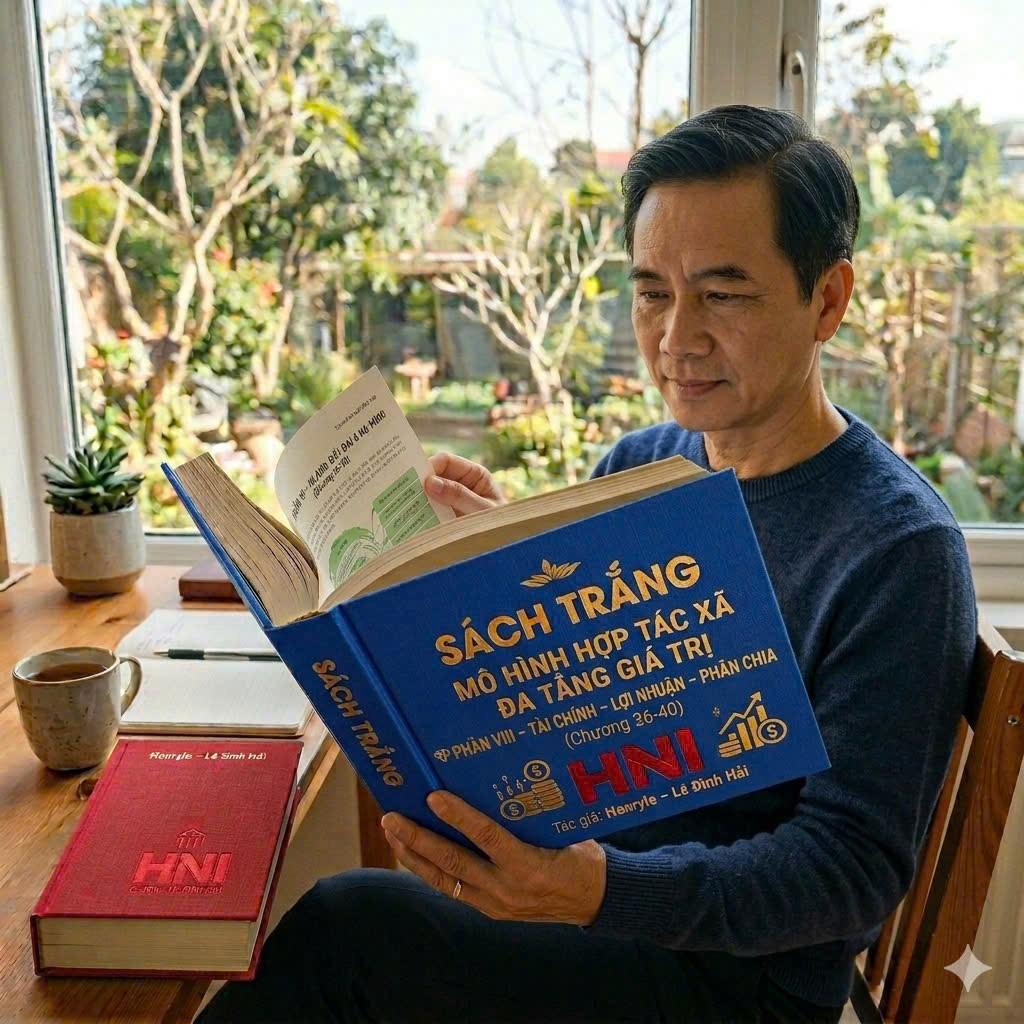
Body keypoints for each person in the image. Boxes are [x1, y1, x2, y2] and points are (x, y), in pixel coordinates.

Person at [197, 105, 976, 1024]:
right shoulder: (645, 465)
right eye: (652, 292)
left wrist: (598, 892)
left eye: (723, 295)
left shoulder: (898, 549)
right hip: (591, 908)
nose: (676, 338)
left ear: (828, 301)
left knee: (349, 931)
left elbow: (848, 870)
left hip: (735, 983)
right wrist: (488, 560)